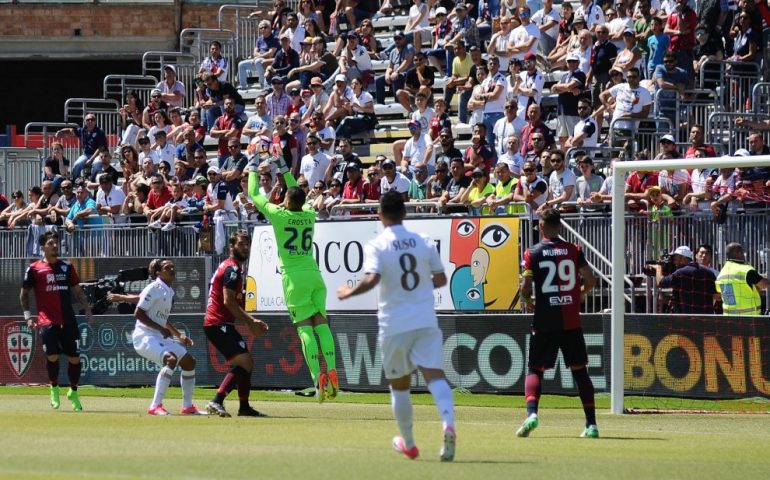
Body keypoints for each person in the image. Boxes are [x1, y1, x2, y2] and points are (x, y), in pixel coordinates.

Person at [336, 191, 456, 462]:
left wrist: (350, 292)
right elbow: (440, 279)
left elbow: (372, 278)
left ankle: (410, 443)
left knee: (399, 386)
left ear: (380, 215)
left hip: (394, 323)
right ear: (405, 212)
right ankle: (448, 423)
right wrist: (421, 284)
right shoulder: (423, 241)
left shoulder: (378, 244)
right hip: (425, 319)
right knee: (435, 376)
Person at [248, 156, 338, 401]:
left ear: (287, 200)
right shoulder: (309, 212)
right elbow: (297, 193)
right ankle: (331, 368)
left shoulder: (279, 214)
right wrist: (284, 168)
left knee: (304, 329)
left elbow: (253, 193)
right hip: (314, 274)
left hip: (293, 277)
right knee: (321, 323)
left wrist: (254, 166)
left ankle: (317, 378)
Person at [517, 208, 598, 439]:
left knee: (535, 369)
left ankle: (532, 414)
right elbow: (591, 280)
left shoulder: (533, 252)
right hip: (571, 320)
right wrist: (579, 294)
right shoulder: (574, 250)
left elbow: (525, 288)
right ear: (560, 226)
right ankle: (591, 425)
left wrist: (526, 301)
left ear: (541, 226)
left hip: (544, 320)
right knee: (580, 371)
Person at [20, 231, 93, 411]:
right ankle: (54, 388)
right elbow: (23, 295)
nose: (54, 246)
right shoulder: (34, 269)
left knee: (75, 358)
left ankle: (73, 392)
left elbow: (77, 291)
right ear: (43, 247)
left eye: (56, 243)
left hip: (68, 321)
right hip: (47, 322)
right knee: (52, 356)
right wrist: (28, 317)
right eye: (51, 243)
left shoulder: (67, 267)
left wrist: (88, 308)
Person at [204, 232, 269, 417]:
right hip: (218, 323)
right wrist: (251, 321)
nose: (245, 248)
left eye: (247, 244)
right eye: (241, 244)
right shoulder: (232, 269)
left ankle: (244, 407)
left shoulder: (232, 268)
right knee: (245, 362)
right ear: (231, 247)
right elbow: (228, 302)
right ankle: (217, 400)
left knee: (247, 363)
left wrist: (250, 322)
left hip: (221, 323)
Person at [132, 259, 204, 415]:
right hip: (144, 336)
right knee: (171, 360)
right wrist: (160, 329)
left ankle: (187, 406)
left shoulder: (169, 291)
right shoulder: (154, 288)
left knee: (189, 362)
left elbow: (162, 319)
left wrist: (179, 335)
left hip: (158, 335)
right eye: (167, 268)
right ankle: (155, 406)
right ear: (158, 272)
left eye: (173, 267)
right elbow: (138, 313)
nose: (172, 269)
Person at [658, 246, 718, 314]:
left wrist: (658, 268)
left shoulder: (680, 273)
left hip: (686, 319)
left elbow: (661, 282)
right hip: (706, 318)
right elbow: (717, 296)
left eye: (676, 259)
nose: (674, 262)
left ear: (684, 258)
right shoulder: (709, 273)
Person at [716, 242, 770, 315]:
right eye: (742, 252)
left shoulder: (722, 273)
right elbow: (764, 284)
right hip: (749, 317)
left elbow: (721, 293)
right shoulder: (746, 270)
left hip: (729, 318)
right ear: (739, 253)